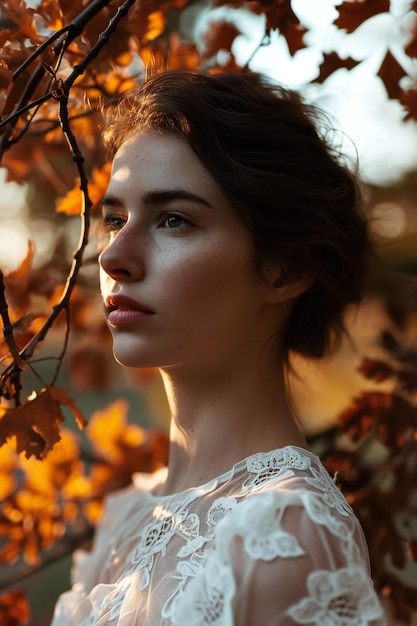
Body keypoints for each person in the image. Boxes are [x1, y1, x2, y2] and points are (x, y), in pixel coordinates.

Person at [51, 69, 386, 625]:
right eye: (115, 218)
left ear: (286, 269)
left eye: (174, 219)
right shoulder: (125, 517)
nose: (113, 258)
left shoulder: (286, 539)